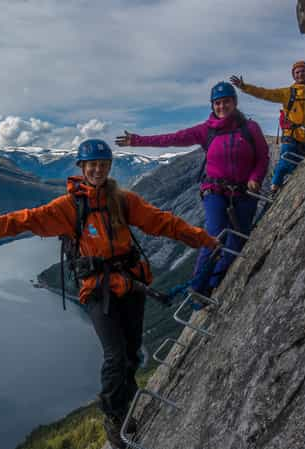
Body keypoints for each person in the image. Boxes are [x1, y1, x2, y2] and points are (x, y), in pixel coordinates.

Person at [0, 139, 217, 449]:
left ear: (108, 167)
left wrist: (203, 240)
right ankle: (114, 418)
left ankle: (129, 402)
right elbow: (28, 218)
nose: (97, 169)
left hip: (130, 285)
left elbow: (161, 222)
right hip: (97, 290)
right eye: (92, 165)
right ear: (82, 167)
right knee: (115, 356)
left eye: (103, 165)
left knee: (131, 353)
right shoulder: (69, 207)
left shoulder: (122, 200)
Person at [115, 81, 269, 297]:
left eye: (226, 102)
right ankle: (197, 290)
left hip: (244, 192)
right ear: (212, 106)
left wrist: (255, 178)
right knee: (213, 236)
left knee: (236, 242)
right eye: (217, 103)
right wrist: (137, 140)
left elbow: (262, 158)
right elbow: (173, 138)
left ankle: (215, 283)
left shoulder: (250, 128)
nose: (222, 106)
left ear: (234, 102)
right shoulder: (207, 130)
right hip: (214, 191)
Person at [230, 60, 305, 192]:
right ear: (294, 75)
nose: (300, 74)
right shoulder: (287, 93)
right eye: (297, 72)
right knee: (284, 163)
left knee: (301, 166)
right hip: (291, 135)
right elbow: (265, 93)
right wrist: (244, 87)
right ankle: (274, 189)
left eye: (303, 71)